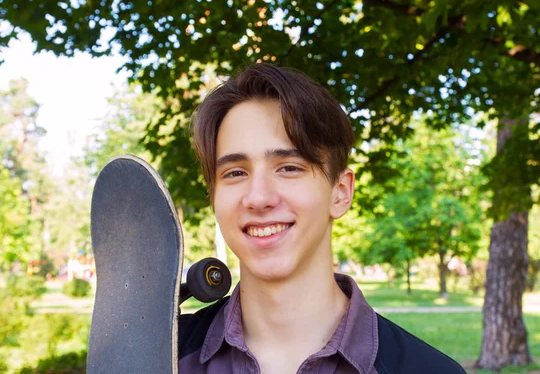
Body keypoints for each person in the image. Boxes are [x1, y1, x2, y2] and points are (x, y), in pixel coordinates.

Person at [178, 64, 465, 374]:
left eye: (289, 167)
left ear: (340, 192)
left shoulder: (428, 369)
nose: (258, 198)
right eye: (235, 173)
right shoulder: (157, 355)